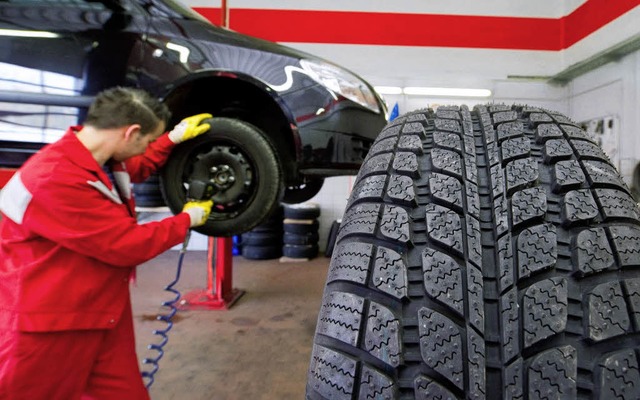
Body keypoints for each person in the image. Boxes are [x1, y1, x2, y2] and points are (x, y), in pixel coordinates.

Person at [0, 87, 214, 399]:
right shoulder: (53, 179)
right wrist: (186, 220)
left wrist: (170, 140)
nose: (148, 148)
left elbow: (132, 168)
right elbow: (126, 244)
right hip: (51, 322)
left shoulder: (94, 157)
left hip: (99, 308)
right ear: (131, 132)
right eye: (148, 141)